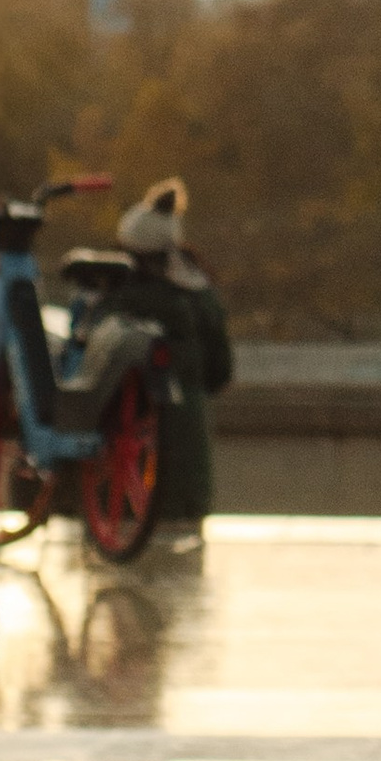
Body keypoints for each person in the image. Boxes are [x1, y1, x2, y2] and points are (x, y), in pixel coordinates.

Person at [116, 177, 235, 529]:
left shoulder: (121, 298)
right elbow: (220, 369)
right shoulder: (200, 292)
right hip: (189, 468)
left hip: (131, 477)